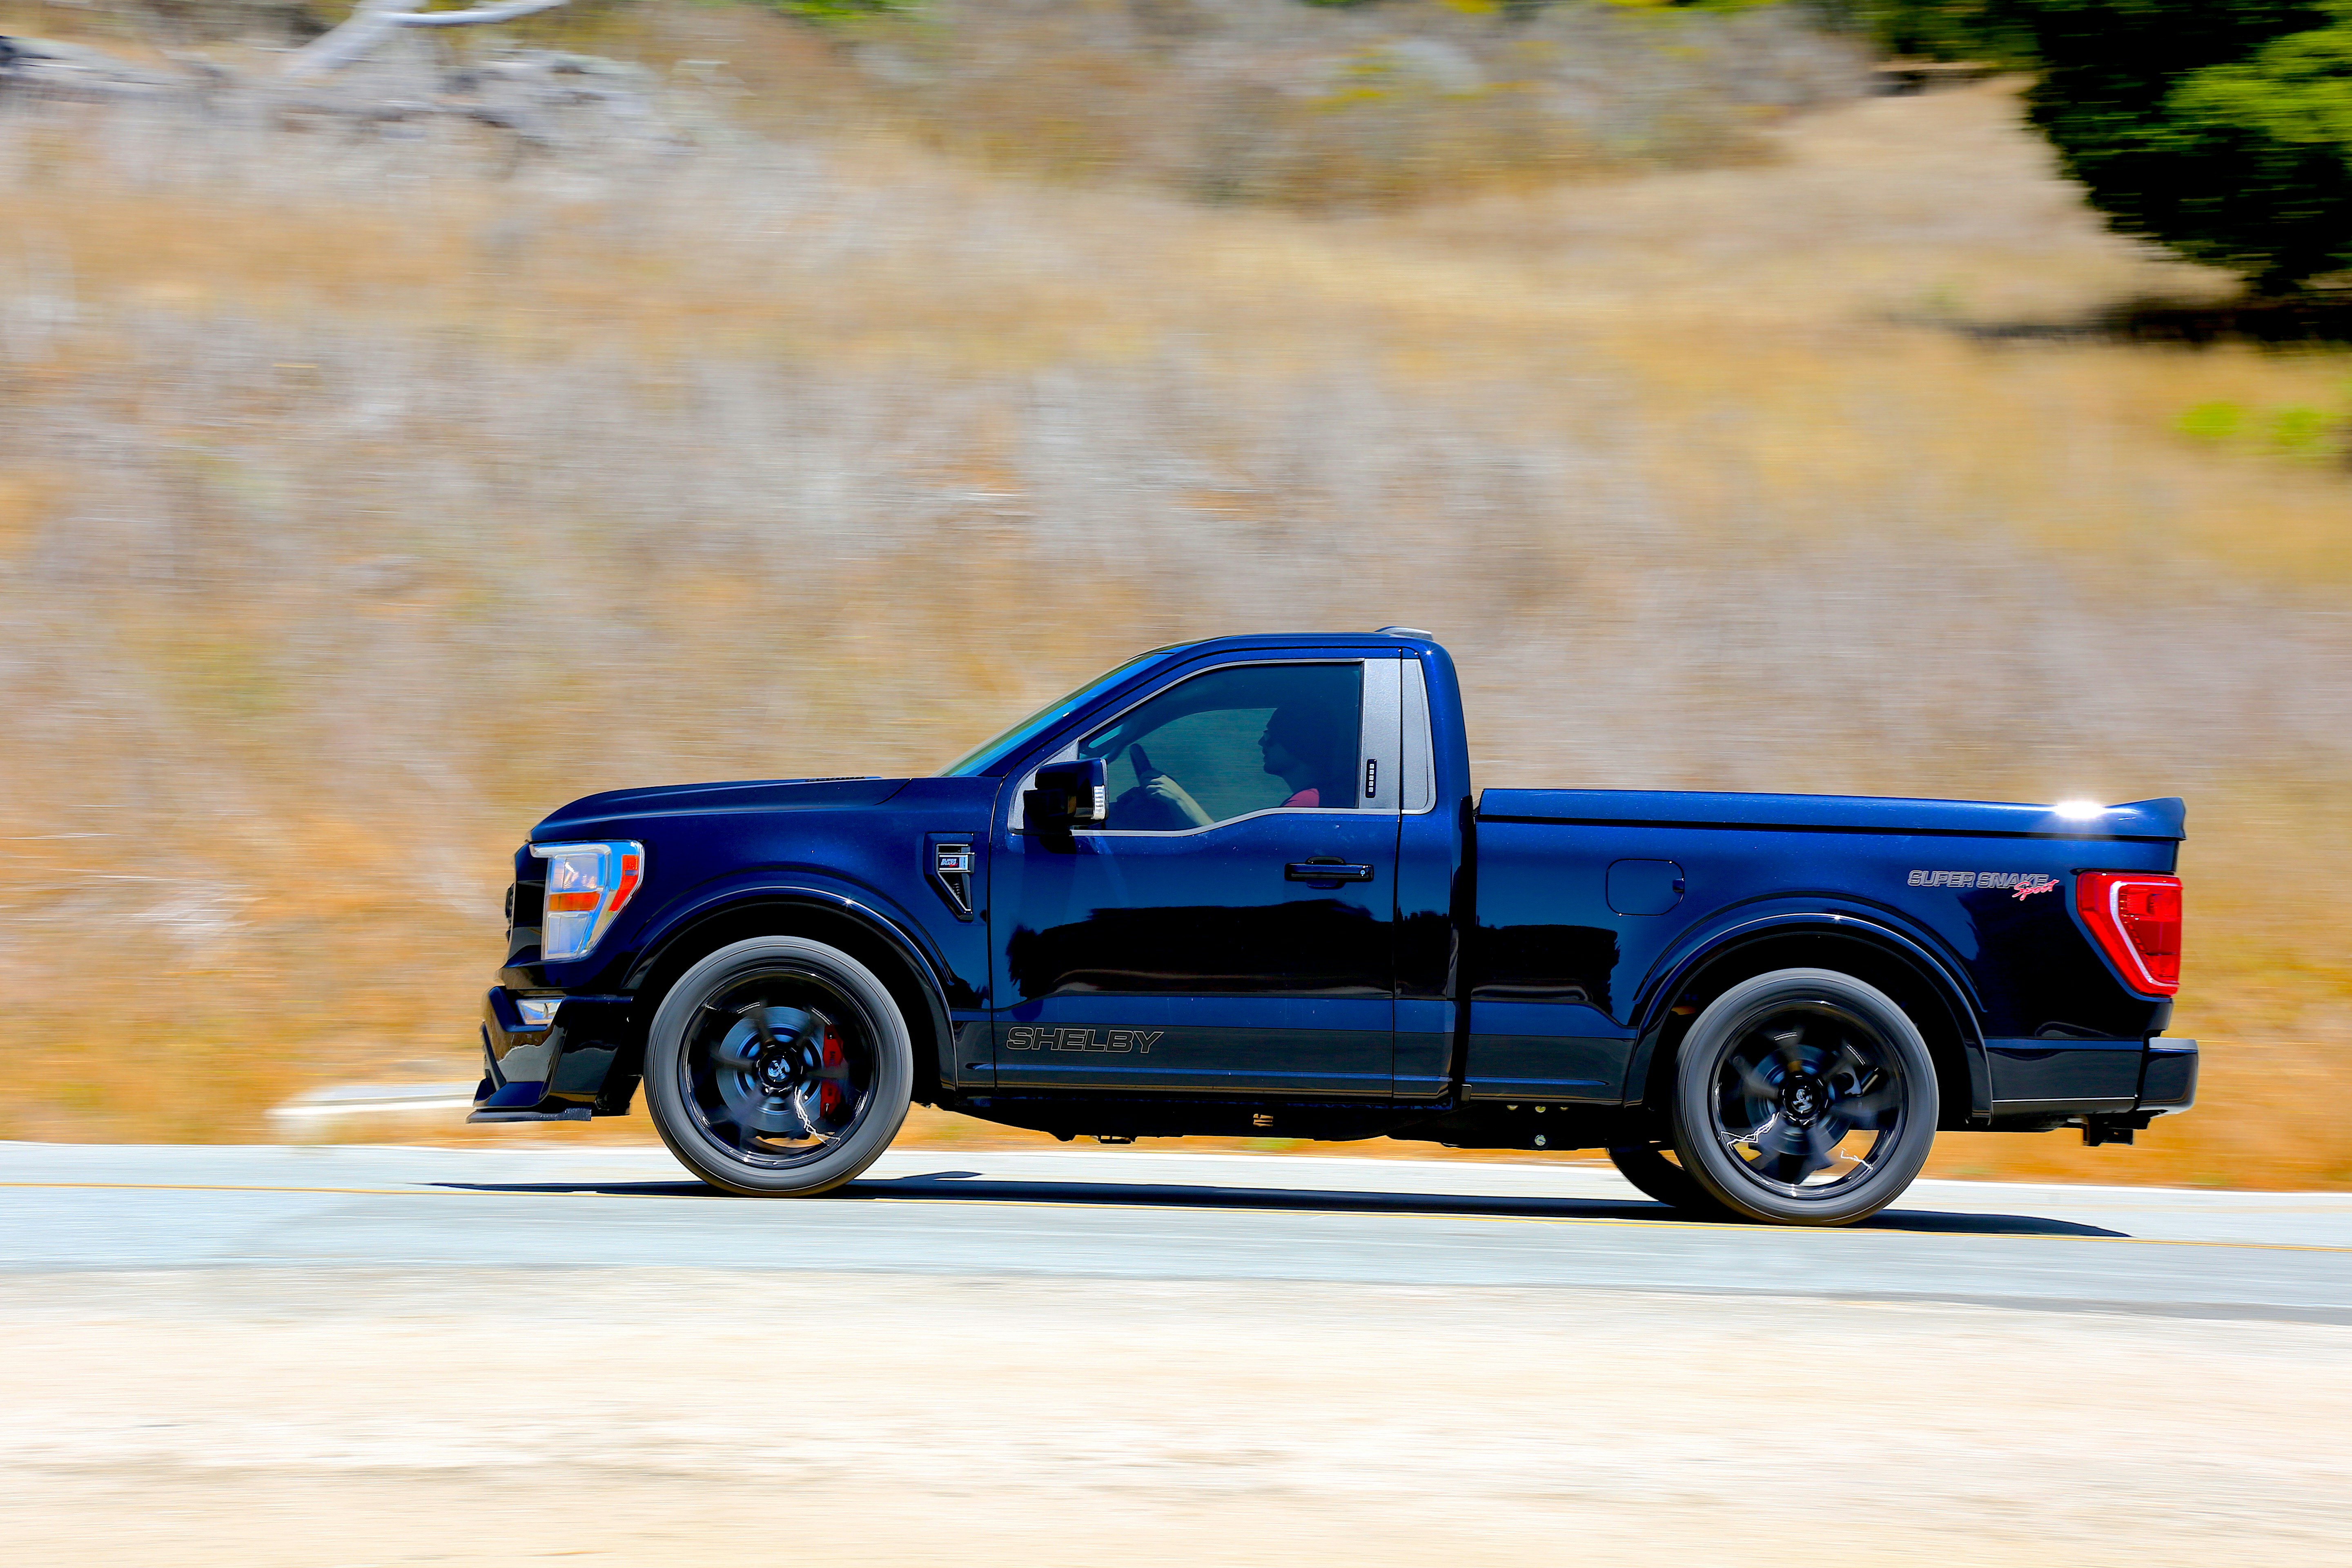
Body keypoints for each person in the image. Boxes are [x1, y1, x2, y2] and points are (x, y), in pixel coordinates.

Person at [1139, 702, 1351, 827]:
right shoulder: (1314, 797)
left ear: (1297, 745)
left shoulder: (1305, 805)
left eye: (1270, 738)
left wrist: (1179, 799)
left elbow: (1232, 856)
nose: (1261, 743)